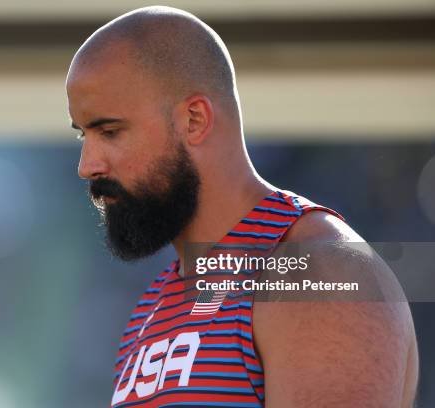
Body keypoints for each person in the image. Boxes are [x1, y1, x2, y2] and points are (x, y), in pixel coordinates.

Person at [65, 6, 418, 407]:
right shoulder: (157, 302)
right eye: (84, 137)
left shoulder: (316, 272)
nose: (87, 166)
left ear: (194, 120)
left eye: (109, 131)